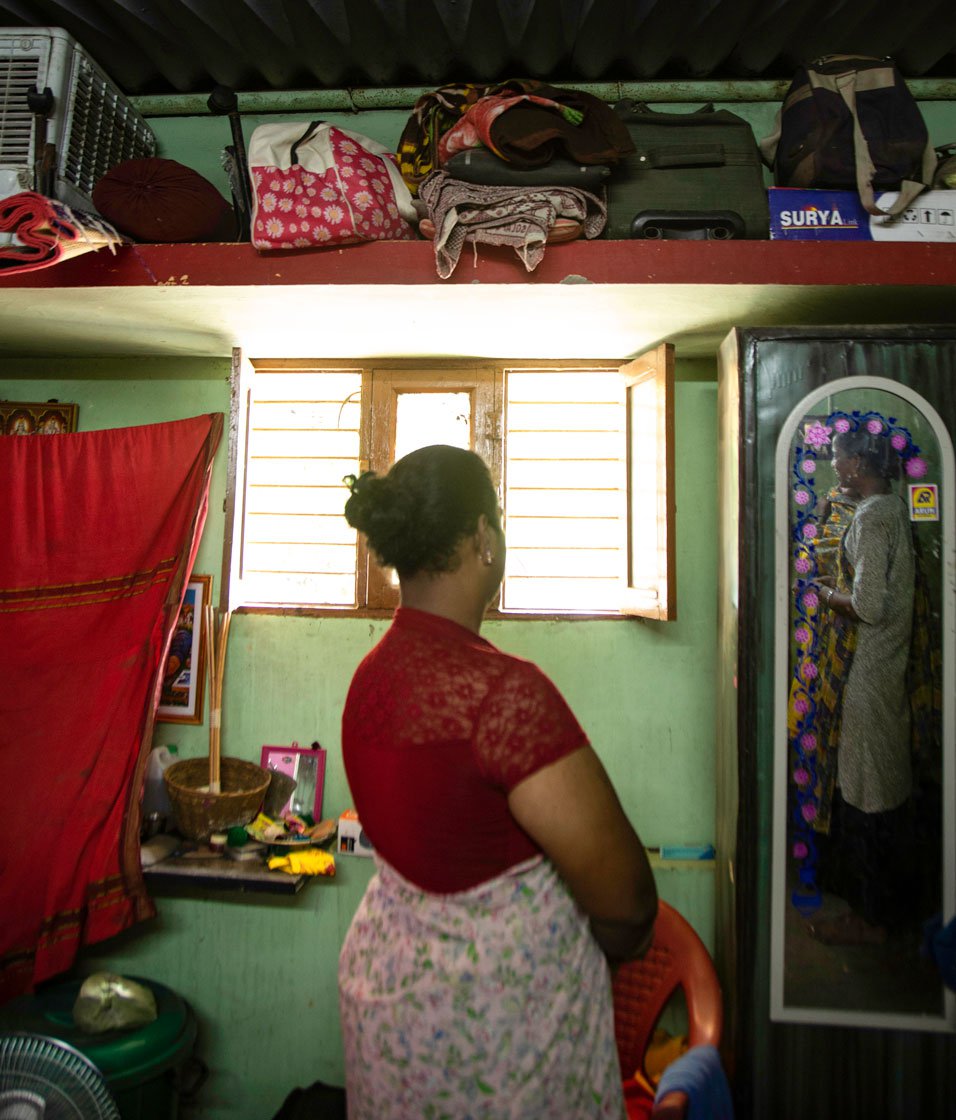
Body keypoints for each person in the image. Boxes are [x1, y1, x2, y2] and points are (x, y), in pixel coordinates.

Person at [337, 444, 658, 1119]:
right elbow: (627, 901)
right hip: (500, 1039)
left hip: (395, 1020)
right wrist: (585, 944)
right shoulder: (504, 695)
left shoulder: (371, 678)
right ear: (483, 535)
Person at [809, 427, 917, 946]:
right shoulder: (893, 509)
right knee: (883, 783)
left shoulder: (874, 516)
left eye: (837, 459)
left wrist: (829, 595)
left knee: (866, 788)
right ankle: (886, 911)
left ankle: (870, 918)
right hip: (889, 663)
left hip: (871, 667)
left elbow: (868, 604)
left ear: (857, 462)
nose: (834, 468)